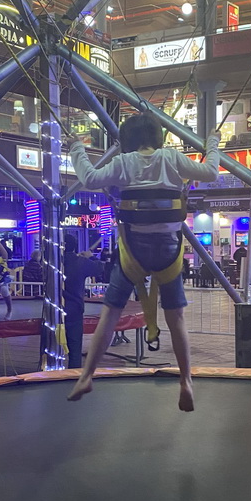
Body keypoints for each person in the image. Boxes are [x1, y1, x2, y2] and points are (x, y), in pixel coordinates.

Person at [66, 112, 220, 411]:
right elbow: (211, 171)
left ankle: (86, 375)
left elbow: (89, 178)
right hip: (169, 252)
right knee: (176, 319)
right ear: (157, 137)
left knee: (110, 314)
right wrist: (212, 142)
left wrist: (77, 148)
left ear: (127, 140)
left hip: (133, 252)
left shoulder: (124, 163)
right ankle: (186, 379)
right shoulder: (172, 159)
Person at [63, 234, 103, 369]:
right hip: (74, 308)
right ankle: (73, 375)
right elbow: (100, 269)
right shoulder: (80, 262)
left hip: (55, 308)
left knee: (50, 345)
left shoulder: (54, 262)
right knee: (74, 348)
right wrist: (90, 256)